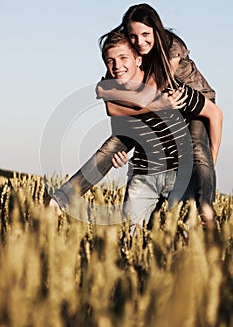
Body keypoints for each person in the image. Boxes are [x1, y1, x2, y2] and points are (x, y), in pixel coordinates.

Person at [50, 30, 222, 233]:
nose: (117, 66)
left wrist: (208, 167)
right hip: (145, 177)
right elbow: (115, 118)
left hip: (180, 176)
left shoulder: (175, 89)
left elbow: (214, 115)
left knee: (183, 243)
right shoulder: (114, 88)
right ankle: (58, 202)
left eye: (123, 58)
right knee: (132, 241)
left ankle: (206, 212)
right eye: (110, 61)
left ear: (139, 60)